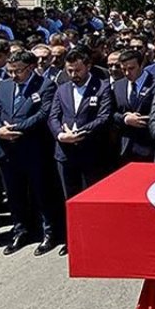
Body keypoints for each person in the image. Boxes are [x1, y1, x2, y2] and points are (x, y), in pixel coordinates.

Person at [0, 50, 63, 257]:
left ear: (30, 68)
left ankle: (49, 232)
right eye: (10, 71)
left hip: (33, 148)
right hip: (6, 149)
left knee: (42, 193)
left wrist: (17, 128)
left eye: (17, 71)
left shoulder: (46, 85)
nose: (13, 75)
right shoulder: (4, 85)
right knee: (14, 194)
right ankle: (20, 231)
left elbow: (43, 114)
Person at [48, 48, 115, 210]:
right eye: (69, 71)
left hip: (91, 152)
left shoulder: (102, 87)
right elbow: (53, 116)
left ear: (88, 66)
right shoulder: (62, 88)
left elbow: (104, 117)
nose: (73, 75)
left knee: (92, 198)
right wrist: (60, 135)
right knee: (69, 198)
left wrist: (79, 133)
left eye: (77, 70)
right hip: (65, 153)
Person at [111, 49, 155, 163]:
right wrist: (125, 119)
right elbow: (111, 112)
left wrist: (143, 120)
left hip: (148, 146)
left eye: (131, 68)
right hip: (124, 147)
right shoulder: (118, 85)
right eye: (123, 69)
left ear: (141, 65)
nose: (127, 73)